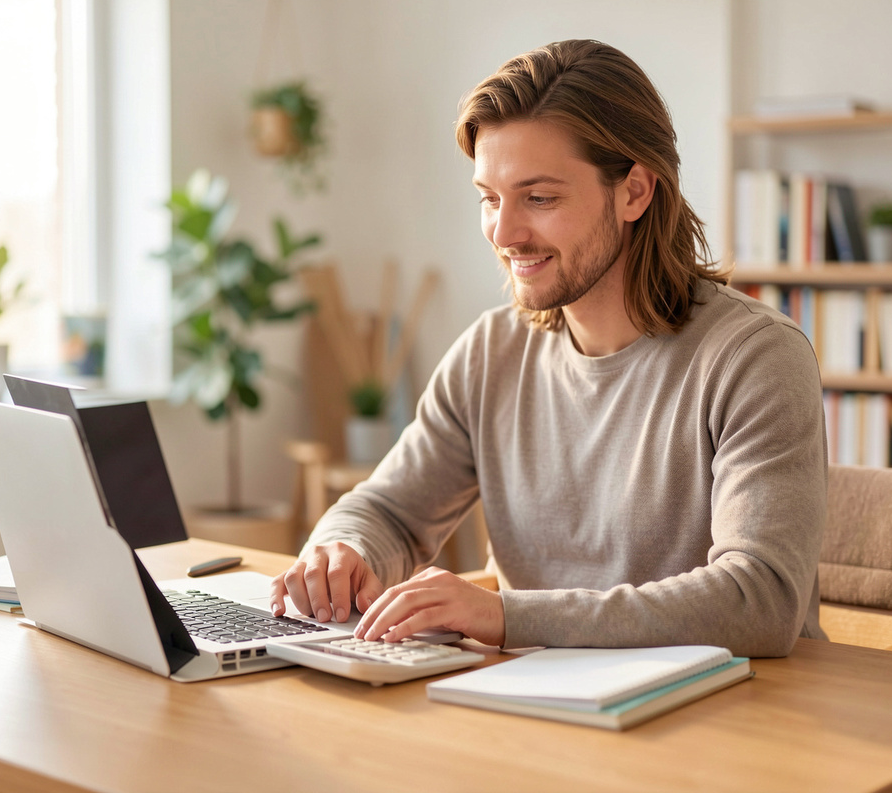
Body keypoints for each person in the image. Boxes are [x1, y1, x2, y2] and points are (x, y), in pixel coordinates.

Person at [268, 39, 827, 657]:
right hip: (536, 713)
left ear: (635, 192)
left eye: (539, 198)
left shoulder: (754, 359)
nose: (504, 234)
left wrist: (508, 617)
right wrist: (343, 548)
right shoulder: (491, 352)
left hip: (730, 722)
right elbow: (392, 511)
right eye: (489, 198)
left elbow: (761, 600)